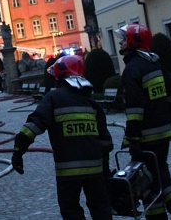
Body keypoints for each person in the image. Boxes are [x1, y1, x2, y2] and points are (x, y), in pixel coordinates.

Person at [11, 54, 113, 220]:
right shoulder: (91, 101)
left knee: (71, 210)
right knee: (100, 208)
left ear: (60, 76)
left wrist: (18, 151)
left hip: (68, 171)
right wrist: (105, 167)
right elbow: (105, 140)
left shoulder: (53, 98)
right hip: (95, 170)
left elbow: (33, 126)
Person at [114, 24, 171, 220]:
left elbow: (135, 110)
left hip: (146, 136)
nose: (120, 42)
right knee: (159, 171)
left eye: (124, 39)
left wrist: (132, 138)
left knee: (149, 179)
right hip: (163, 133)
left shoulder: (132, 69)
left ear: (133, 42)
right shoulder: (154, 63)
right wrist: (170, 112)